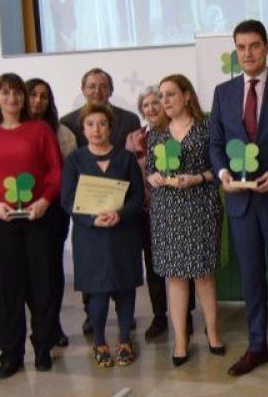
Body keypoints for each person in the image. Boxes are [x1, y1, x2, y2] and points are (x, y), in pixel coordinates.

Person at [209, 19, 268, 378]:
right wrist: (223, 175)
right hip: (240, 202)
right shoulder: (223, 92)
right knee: (250, 277)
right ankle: (256, 346)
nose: (247, 53)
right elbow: (216, 143)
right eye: (241, 47)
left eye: (253, 46)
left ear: (266, 47)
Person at [0, 73, 63, 378]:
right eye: (6, 94)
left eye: (18, 94)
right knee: (7, 288)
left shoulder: (40, 130)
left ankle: (44, 347)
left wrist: (45, 200)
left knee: (42, 284)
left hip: (38, 218)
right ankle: (11, 353)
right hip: (1, 221)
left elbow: (54, 172)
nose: (12, 99)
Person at [147, 74, 224, 367]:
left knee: (204, 275)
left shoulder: (206, 128)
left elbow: (215, 170)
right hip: (167, 210)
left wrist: (196, 178)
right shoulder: (156, 133)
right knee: (175, 277)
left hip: (200, 205)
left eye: (170, 94)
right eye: (161, 96)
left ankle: (213, 333)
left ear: (187, 95)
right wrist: (153, 177)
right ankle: (181, 339)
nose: (164, 101)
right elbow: (152, 171)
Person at [61, 104, 144, 367]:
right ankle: (99, 342)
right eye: (90, 124)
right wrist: (91, 219)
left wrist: (120, 214)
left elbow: (137, 197)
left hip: (123, 235)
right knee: (96, 295)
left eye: (102, 124)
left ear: (111, 127)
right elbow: (68, 200)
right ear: (83, 129)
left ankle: (124, 340)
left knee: (125, 290)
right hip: (90, 238)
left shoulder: (126, 159)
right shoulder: (74, 160)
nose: (96, 130)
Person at [125, 85, 197, 341]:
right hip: (145, 211)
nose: (152, 108)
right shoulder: (134, 139)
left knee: (182, 264)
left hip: (176, 207)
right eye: (146, 105)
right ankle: (159, 316)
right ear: (141, 111)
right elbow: (128, 174)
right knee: (153, 265)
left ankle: (185, 316)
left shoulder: (175, 132)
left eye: (156, 102)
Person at [25, 77, 77, 349]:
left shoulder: (62, 133)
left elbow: (69, 175)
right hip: (21, 212)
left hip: (53, 212)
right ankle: (38, 326)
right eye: (32, 94)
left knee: (51, 271)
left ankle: (52, 325)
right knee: (29, 273)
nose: (37, 100)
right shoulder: (10, 130)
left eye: (44, 96)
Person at [60, 67, 140, 150]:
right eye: (92, 87)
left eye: (103, 87)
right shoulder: (67, 122)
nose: (97, 91)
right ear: (83, 90)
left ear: (111, 90)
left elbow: (138, 156)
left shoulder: (130, 120)